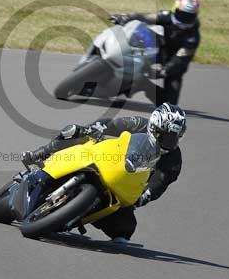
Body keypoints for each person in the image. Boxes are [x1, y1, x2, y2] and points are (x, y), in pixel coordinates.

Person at [21, 103, 187, 242]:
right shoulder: (137, 124)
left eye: (175, 137)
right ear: (154, 128)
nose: (170, 142)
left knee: (126, 230)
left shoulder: (173, 160)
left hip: (124, 186)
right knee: (74, 133)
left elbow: (161, 181)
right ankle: (40, 154)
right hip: (106, 160)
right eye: (166, 136)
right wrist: (93, 129)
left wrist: (146, 195)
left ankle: (76, 216)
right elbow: (111, 125)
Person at [110, 0, 200, 105]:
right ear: (175, 9)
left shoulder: (193, 37)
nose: (184, 19)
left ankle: (143, 84)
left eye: (188, 16)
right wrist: (126, 17)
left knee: (169, 105)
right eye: (182, 14)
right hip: (156, 50)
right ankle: (119, 64)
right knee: (140, 33)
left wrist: (164, 70)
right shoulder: (167, 16)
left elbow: (180, 59)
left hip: (173, 65)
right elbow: (145, 17)